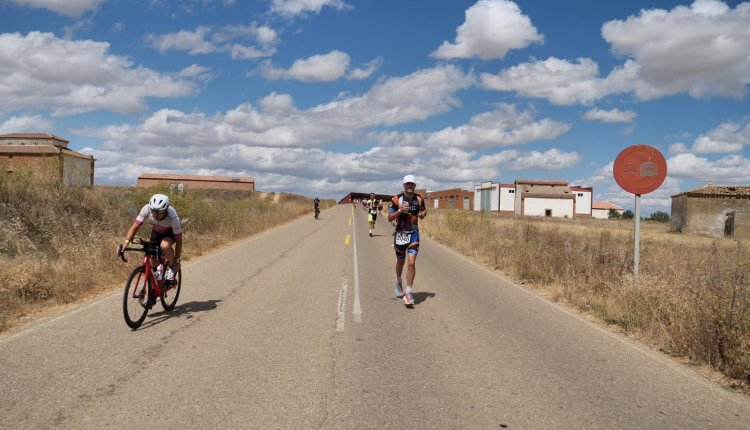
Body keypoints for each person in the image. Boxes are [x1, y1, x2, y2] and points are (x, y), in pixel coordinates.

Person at [122, 194, 182, 288]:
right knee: (153, 256)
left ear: (166, 210)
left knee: (165, 245)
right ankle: (157, 278)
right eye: (153, 211)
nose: (155, 215)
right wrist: (126, 242)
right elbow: (134, 228)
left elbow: (179, 240)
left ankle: (171, 270)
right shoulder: (146, 209)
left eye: (159, 212)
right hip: (157, 231)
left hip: (170, 232)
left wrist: (177, 261)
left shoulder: (173, 218)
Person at [388, 175, 426, 306]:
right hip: (400, 234)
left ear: (415, 185)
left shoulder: (419, 198)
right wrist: (399, 210)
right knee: (401, 262)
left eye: (412, 184)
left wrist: (422, 214)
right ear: (404, 185)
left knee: (411, 264)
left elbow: (423, 210)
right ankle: (399, 281)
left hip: (414, 234)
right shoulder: (397, 199)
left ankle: (409, 293)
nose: (410, 186)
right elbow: (389, 218)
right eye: (407, 184)